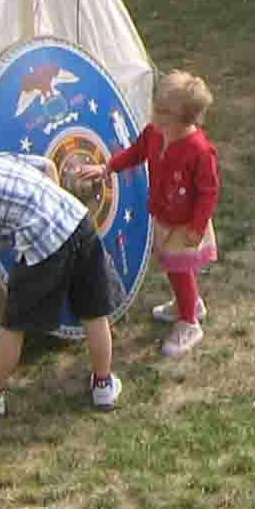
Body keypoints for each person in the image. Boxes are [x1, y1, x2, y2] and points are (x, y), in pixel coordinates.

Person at [0, 151, 121, 417]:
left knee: (14, 325)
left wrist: (14, 297)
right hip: (75, 217)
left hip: (42, 240)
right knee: (94, 313)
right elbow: (48, 166)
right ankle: (103, 385)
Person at [82, 70, 220, 355]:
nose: (155, 116)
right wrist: (107, 167)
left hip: (185, 223)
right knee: (173, 266)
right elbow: (135, 153)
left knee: (179, 267)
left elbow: (208, 192)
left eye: (162, 113)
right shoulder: (155, 133)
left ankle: (189, 322)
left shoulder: (199, 150)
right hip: (164, 216)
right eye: (156, 108)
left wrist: (197, 226)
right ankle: (188, 303)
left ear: (185, 118)